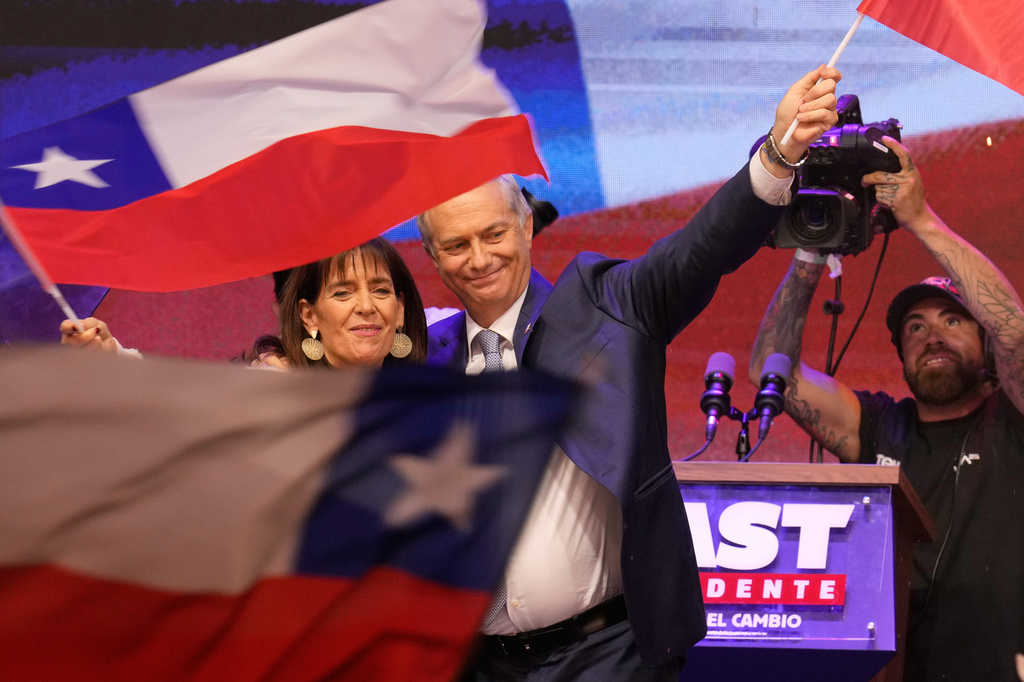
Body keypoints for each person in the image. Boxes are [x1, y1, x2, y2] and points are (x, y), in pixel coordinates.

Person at [417, 66, 842, 679]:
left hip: (605, 656)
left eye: (494, 233)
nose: (480, 258)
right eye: (456, 245)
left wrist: (779, 152)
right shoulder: (423, 359)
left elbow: (700, 249)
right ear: (433, 257)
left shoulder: (607, 306)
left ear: (526, 226)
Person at [749, 137, 1024, 681]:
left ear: (986, 345)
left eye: (953, 321)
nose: (932, 336)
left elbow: (1014, 330)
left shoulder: (1013, 416)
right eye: (915, 328)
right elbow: (772, 373)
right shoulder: (880, 425)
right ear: (900, 354)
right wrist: (811, 246)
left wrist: (920, 220)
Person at [61, 237, 427, 370]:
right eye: (342, 293)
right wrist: (109, 358)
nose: (366, 305)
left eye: (380, 291)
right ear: (309, 316)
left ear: (400, 311)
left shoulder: (429, 393)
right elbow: (176, 406)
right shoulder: (269, 391)